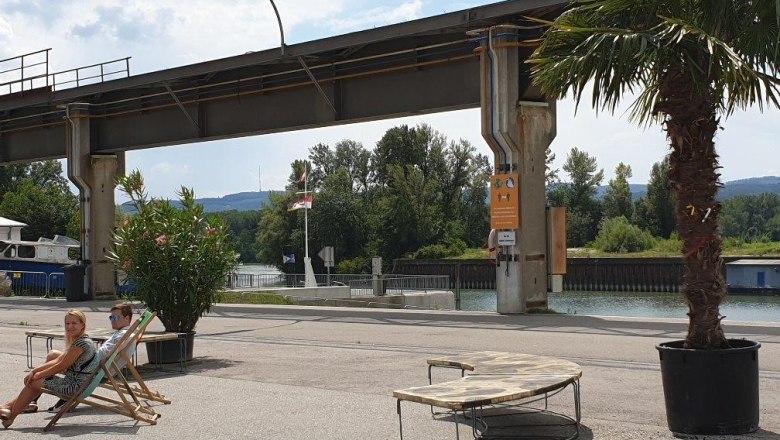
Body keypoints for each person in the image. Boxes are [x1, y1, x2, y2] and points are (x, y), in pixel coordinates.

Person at [0, 309, 99, 429]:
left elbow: (61, 366)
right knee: (36, 379)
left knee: (34, 381)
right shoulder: (81, 340)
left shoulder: (81, 344)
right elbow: (57, 360)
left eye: (74, 323)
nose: (70, 327)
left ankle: (10, 415)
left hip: (75, 387)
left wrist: (38, 375)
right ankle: (7, 409)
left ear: (82, 324)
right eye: (67, 324)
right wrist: (35, 371)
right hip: (76, 383)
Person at [32, 304, 136, 414]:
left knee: (53, 356)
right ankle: (56, 398)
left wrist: (86, 352)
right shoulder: (125, 332)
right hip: (96, 366)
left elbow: (108, 353)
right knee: (55, 355)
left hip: (94, 370)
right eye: (111, 317)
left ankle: (41, 398)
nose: (112, 320)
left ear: (127, 318)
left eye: (116, 317)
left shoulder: (125, 335)